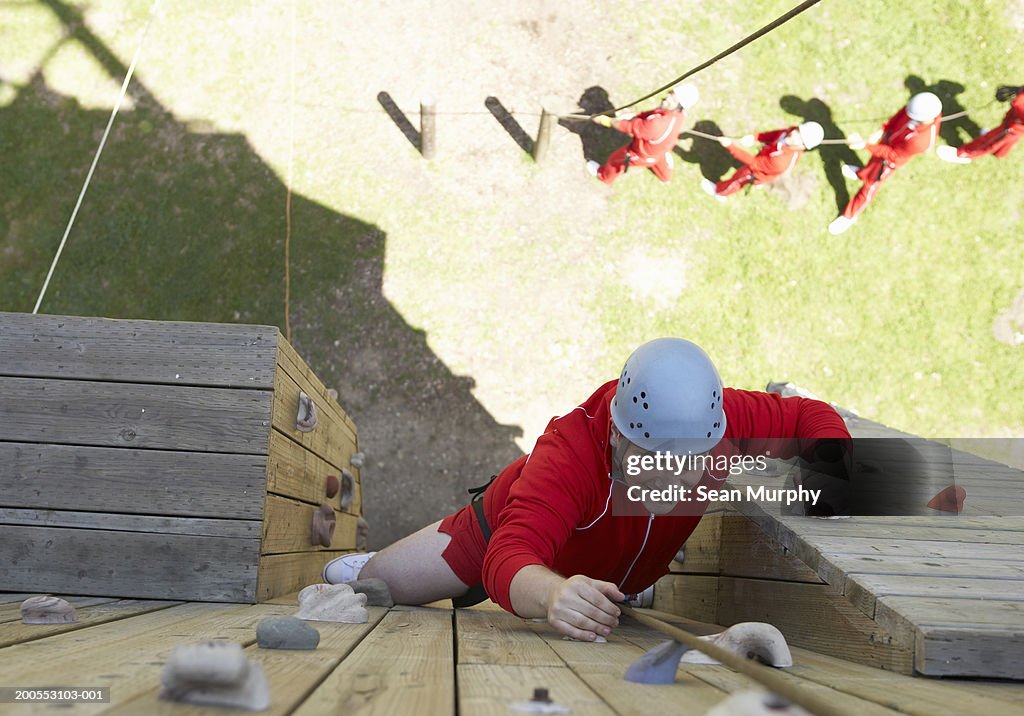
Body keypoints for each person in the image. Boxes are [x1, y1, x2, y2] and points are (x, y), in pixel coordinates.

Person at [322, 338, 850, 641]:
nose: (672, 482)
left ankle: (621, 582)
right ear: (619, 433)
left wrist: (829, 461)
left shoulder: (723, 419)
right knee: (377, 585)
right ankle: (373, 560)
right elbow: (508, 556)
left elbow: (807, 413)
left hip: (608, 570)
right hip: (498, 533)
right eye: (655, 464)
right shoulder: (569, 451)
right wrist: (553, 592)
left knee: (612, 582)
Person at [828, 92, 943, 235]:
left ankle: (849, 216)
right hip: (888, 140)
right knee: (871, 165)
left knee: (871, 185)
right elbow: (901, 114)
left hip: (889, 161)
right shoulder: (918, 109)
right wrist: (884, 129)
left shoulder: (922, 142)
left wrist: (865, 145)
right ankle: (861, 173)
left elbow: (893, 155)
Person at [586, 83, 699, 185]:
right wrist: (636, 115)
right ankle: (665, 178)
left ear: (679, 106)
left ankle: (604, 176)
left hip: (641, 153)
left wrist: (607, 121)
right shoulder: (676, 115)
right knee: (659, 161)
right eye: (671, 93)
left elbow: (628, 127)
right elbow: (652, 114)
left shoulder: (656, 125)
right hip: (660, 150)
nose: (667, 98)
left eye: (673, 99)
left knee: (615, 160)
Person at [700, 122, 824, 201]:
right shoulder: (789, 132)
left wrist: (730, 146)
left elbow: (754, 163)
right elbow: (774, 135)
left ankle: (720, 192)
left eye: (799, 138)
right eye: (797, 131)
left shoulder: (781, 161)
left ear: (803, 147)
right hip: (766, 159)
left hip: (759, 172)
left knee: (739, 178)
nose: (793, 136)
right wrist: (755, 137)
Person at [937, 84, 1024, 164]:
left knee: (994, 139)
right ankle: (1000, 152)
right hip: (1016, 119)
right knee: (1009, 134)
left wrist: (1019, 98)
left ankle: (965, 154)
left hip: (1016, 125)